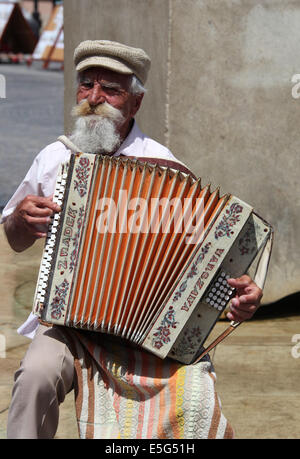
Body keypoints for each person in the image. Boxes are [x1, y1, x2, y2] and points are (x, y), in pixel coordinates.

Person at [1, 40, 263, 439]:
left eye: (111, 89)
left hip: (144, 339)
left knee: (194, 399)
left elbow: (207, 270)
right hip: (66, 324)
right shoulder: (55, 158)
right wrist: (20, 220)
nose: (94, 98)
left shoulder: (168, 171)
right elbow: (15, 240)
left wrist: (238, 297)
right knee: (34, 377)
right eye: (86, 85)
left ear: (135, 104)